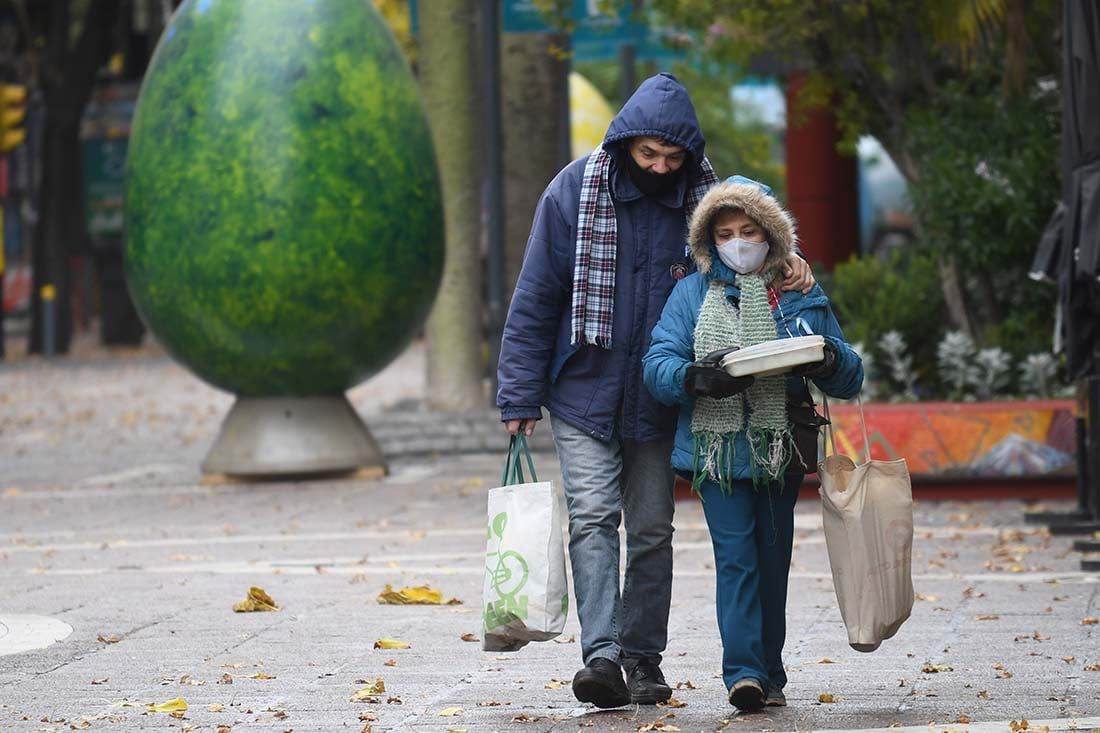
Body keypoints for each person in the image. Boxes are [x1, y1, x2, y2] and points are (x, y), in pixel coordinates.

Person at [496, 73, 816, 709]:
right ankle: (602, 656)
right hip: (583, 387)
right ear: (624, 145)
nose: (660, 167)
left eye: (672, 158)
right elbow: (537, 295)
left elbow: (745, 255)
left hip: (661, 395)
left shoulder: (703, 204)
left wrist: (792, 264)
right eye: (648, 154)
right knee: (593, 517)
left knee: (650, 529)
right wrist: (519, 393)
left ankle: (643, 658)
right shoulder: (572, 192)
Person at [642, 177, 863, 711]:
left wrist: (829, 358)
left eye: (749, 231)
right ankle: (743, 674)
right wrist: (696, 377)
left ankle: (771, 671)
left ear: (771, 234)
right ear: (708, 239)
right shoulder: (692, 293)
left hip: (778, 448)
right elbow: (658, 363)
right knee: (736, 560)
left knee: (771, 559)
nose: (738, 243)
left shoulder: (797, 288)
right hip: (716, 455)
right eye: (725, 234)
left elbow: (847, 372)